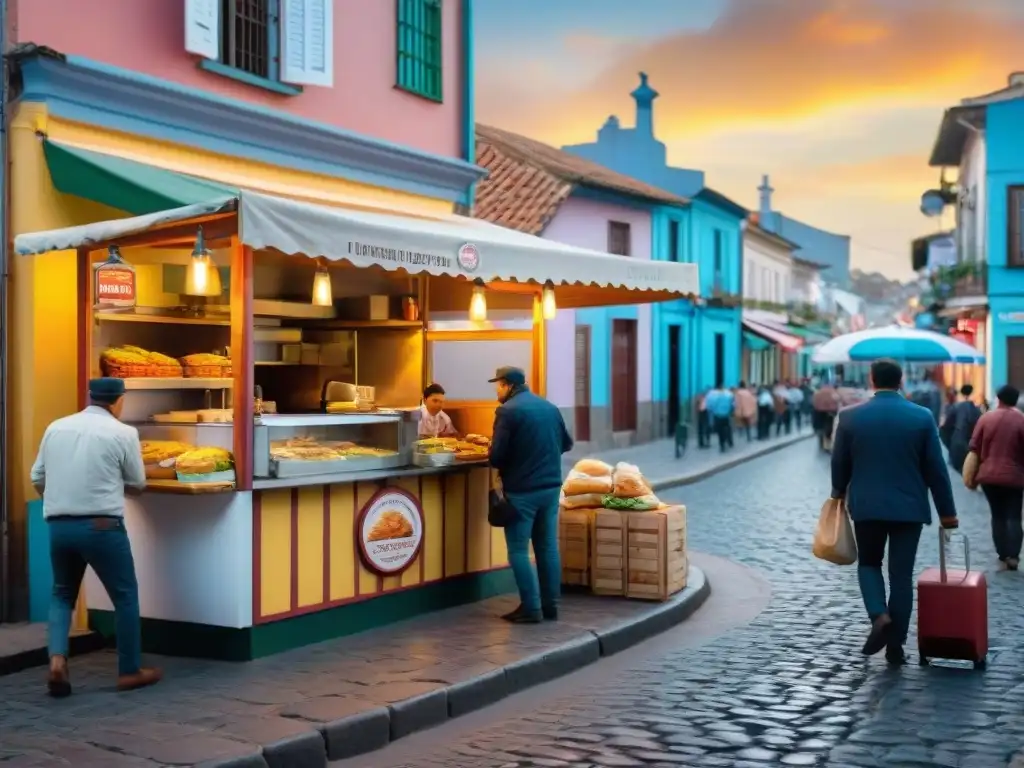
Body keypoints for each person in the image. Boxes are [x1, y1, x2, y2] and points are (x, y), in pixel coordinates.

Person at [30, 378, 162, 697]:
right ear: (119, 401)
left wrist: (63, 498)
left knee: (62, 594)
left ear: (90, 396)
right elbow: (137, 481)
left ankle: (58, 661)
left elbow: (37, 477)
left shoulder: (56, 427)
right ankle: (129, 670)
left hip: (59, 526)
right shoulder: (123, 433)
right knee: (125, 596)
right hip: (103, 526)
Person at [831, 359, 958, 665]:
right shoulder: (922, 416)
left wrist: (838, 492)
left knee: (869, 564)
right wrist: (947, 513)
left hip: (867, 507)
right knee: (901, 576)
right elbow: (936, 469)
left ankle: (878, 615)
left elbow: (839, 463)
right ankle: (896, 646)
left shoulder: (850, 417)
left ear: (872, 380)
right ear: (901, 381)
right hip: (909, 509)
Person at [487, 366, 573, 624]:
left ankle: (531, 607)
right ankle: (551, 605)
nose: (496, 389)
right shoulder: (549, 408)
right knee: (547, 547)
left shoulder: (507, 412)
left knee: (518, 550)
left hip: (522, 491)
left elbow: (496, 456)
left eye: (498, 385)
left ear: (508, 385)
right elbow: (566, 444)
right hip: (550, 488)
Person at [968, 384, 1024, 570]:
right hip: (1015, 477)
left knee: (997, 515)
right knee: (1014, 516)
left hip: (989, 476)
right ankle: (1014, 556)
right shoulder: (1021, 420)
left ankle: (1002, 553)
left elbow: (974, 447)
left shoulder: (986, 418)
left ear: (998, 398)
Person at [940, 384, 981, 473]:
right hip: (971, 448)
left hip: (956, 445)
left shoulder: (955, 407)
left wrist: (949, 444)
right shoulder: (977, 410)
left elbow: (944, 428)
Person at [705, 381, 735, 452]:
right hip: (726, 416)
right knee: (727, 428)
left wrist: (713, 412)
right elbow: (733, 404)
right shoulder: (728, 395)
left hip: (717, 416)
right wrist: (731, 411)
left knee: (720, 431)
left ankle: (722, 445)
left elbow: (710, 406)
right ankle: (728, 441)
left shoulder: (713, 396)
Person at [812, 381, 841, 451]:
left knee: (820, 427)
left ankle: (821, 442)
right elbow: (837, 400)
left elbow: (814, 403)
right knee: (829, 427)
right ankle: (827, 444)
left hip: (818, 411)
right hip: (830, 411)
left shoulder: (817, 393)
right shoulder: (833, 392)